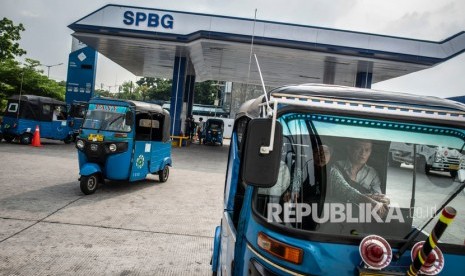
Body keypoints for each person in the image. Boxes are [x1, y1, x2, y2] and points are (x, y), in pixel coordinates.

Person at [329, 139, 389, 216]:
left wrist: (384, 200)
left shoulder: (372, 174)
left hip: (362, 217)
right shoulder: (336, 167)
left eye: (367, 150)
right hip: (337, 213)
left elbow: (379, 197)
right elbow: (342, 190)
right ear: (349, 149)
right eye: (358, 148)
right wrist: (370, 199)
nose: (363, 153)